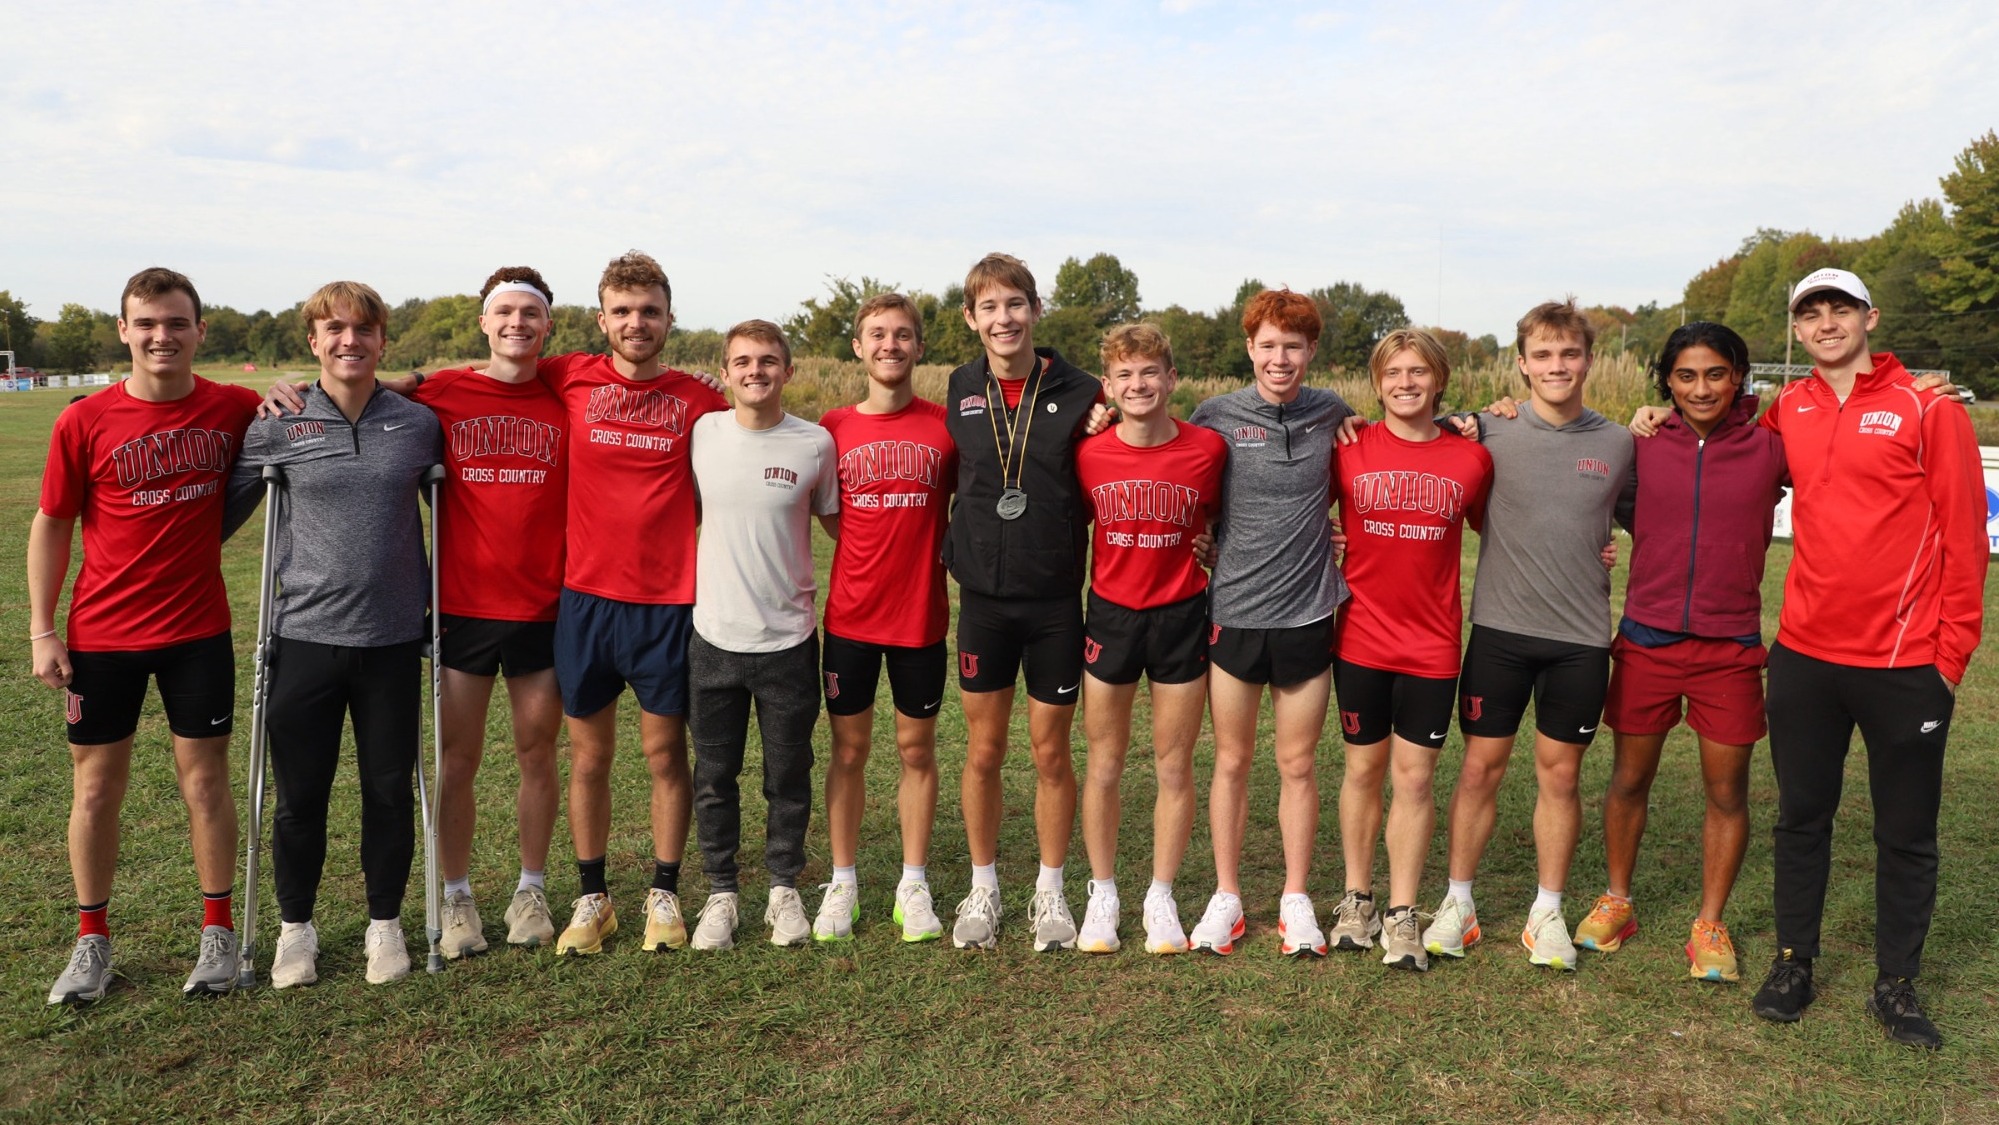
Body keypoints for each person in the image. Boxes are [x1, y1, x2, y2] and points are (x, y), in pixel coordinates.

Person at [1749, 268, 1984, 1049]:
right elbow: (1728, 453)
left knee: (1905, 830)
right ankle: (1793, 962)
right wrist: (1651, 414)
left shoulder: (1927, 406)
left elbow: (1961, 535)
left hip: (1903, 663)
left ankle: (1896, 982)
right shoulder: (1788, 407)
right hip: (1805, 658)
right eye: (1809, 312)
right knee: (1800, 818)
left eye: (1838, 308)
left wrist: (1950, 653)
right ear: (1797, 329)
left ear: (1868, 317)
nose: (1824, 322)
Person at [32, 268, 260, 1003]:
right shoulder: (85, 420)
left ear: (199, 331)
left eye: (176, 322)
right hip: (103, 634)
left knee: (205, 781)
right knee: (96, 789)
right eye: (147, 323)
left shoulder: (234, 408)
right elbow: (52, 524)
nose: (162, 336)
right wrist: (42, 630)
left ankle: (218, 933)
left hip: (198, 630)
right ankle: (91, 942)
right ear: (125, 331)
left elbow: (299, 413)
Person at [224, 280, 443, 987]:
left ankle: (386, 923)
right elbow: (218, 517)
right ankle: (296, 928)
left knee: (388, 789)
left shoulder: (414, 423)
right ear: (313, 341)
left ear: (382, 340)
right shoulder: (277, 424)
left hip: (390, 641)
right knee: (300, 797)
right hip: (304, 637)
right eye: (334, 329)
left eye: (363, 329)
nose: (349, 340)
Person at [1420, 298, 1634, 972]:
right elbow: (1408, 435)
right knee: (1479, 768)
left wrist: (1610, 545)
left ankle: (1546, 910)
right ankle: (1458, 902)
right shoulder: (1486, 428)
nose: (1556, 366)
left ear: (1587, 361)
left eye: (1568, 353)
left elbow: (1649, 517)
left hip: (1578, 641)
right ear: (1521, 363)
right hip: (1499, 633)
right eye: (1542, 355)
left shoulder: (1620, 442)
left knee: (1560, 776)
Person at [1566, 322, 1783, 984]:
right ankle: (1618, 899)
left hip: (1730, 646)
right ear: (1665, 380)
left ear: (1739, 375)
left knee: (1725, 789)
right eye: (1684, 376)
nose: (1700, 388)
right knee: (1630, 778)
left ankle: (1709, 920)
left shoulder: (1771, 447)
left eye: (1714, 373)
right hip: (1647, 639)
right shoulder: (1639, 444)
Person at [538, 253, 727, 956]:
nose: (635, 322)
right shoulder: (569, 375)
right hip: (586, 600)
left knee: (663, 753)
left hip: (668, 603)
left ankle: (664, 892)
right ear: (601, 321)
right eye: (622, 311)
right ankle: (593, 898)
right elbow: (490, 384)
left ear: (669, 317)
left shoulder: (699, 397)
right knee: (588, 756)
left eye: (648, 310)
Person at [1186, 289, 1354, 957]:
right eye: (1267, 344)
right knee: (1230, 759)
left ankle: (1294, 898)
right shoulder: (1214, 414)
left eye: (1292, 345)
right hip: (1232, 609)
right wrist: (1203, 539)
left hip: (1308, 610)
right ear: (1248, 347)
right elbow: (1178, 476)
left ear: (1310, 351)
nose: (1279, 357)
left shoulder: (1332, 413)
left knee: (1296, 763)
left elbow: (1397, 437)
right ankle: (1225, 896)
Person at [942, 253, 1102, 952]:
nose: (1002, 319)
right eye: (988, 307)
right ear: (971, 319)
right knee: (982, 751)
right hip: (980, 598)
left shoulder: (1084, 389)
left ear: (1034, 310)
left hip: (1053, 602)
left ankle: (1049, 889)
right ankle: (983, 886)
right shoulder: (958, 386)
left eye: (1014, 304)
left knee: (1049, 752)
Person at [412, 268, 569, 956]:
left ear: (546, 327)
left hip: (543, 604)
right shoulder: (440, 389)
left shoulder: (565, 392)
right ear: (483, 321)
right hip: (463, 607)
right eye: (503, 312)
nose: (515, 324)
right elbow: (366, 392)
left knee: (538, 750)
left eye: (528, 314)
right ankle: (456, 896)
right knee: (458, 757)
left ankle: (531, 888)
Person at [1328, 329, 1491, 972]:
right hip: (1360, 638)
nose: (1405, 382)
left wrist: (1596, 548)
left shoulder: (1472, 459)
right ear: (1377, 381)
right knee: (1363, 772)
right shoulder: (1346, 447)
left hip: (1432, 646)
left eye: (1418, 371)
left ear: (1439, 379)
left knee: (1415, 778)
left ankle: (1401, 914)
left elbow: (1510, 526)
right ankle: (1356, 900)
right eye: (1393, 371)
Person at [685, 321, 840, 949]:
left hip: (789, 640)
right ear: (724, 371)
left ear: (789, 371)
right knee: (714, 774)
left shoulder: (815, 444)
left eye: (769, 361)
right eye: (743, 361)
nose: (756, 371)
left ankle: (783, 889)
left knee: (788, 772)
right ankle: (721, 893)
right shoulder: (700, 432)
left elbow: (842, 530)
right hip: (713, 636)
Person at [1074, 323, 1228, 955]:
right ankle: (1103, 892)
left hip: (1181, 614)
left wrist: (1215, 544)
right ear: (1108, 387)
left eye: (1149, 373)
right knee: (1105, 762)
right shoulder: (1088, 452)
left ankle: (1160, 895)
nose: (1138, 385)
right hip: (1111, 613)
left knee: (1173, 763)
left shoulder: (1208, 450)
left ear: (1170, 379)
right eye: (1124, 375)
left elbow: (1223, 518)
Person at [813, 294, 956, 944]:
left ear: (918, 346)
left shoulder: (945, 426)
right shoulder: (832, 425)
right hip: (849, 617)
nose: (889, 345)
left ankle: (913, 882)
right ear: (857, 346)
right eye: (877, 334)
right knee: (848, 751)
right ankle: (842, 880)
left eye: (902, 335)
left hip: (920, 618)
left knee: (915, 750)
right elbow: (829, 513)